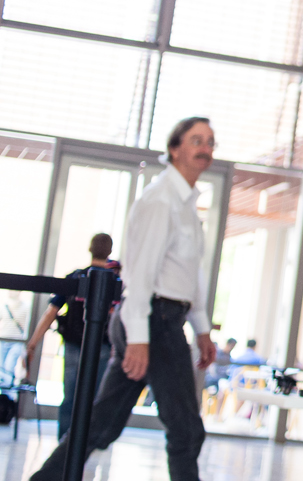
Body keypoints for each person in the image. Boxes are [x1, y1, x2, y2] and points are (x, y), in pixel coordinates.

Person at [30, 117, 219, 481]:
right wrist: (138, 338)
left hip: (161, 319)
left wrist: (201, 328)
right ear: (175, 148)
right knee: (186, 430)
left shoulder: (186, 204)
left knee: (101, 425)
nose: (205, 149)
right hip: (153, 320)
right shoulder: (161, 200)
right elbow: (140, 274)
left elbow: (189, 275)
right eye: (196, 140)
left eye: (210, 142)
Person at [24, 234, 121, 438]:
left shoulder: (75, 278)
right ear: (109, 251)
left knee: (70, 397)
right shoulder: (115, 282)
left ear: (89, 248)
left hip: (73, 344)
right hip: (102, 347)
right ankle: (84, 444)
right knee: (93, 399)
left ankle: (64, 443)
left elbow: (51, 312)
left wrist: (33, 343)